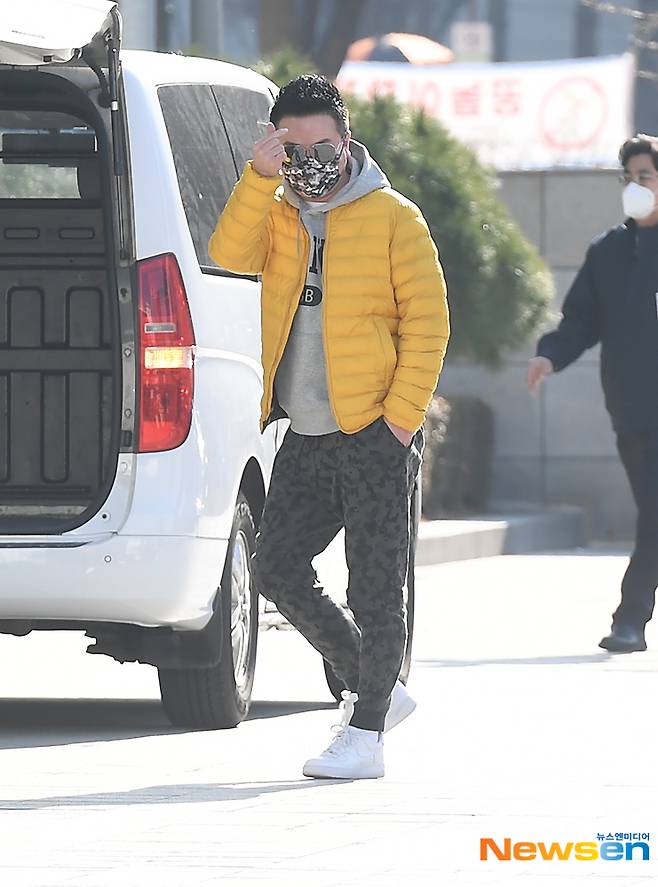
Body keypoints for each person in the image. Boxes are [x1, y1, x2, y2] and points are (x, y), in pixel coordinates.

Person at [209, 75, 449, 779]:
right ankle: (376, 688)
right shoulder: (278, 211)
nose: (310, 161)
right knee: (276, 568)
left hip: (374, 429)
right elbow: (227, 253)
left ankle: (366, 734)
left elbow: (429, 326)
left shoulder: (394, 217)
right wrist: (258, 179)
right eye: (295, 149)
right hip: (306, 432)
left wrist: (398, 424)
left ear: (346, 140)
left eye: (322, 145)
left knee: (374, 588)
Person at [527, 134, 658, 655]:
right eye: (628, 178)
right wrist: (549, 356)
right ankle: (630, 620)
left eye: (645, 176)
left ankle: (630, 620)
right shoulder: (609, 252)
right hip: (634, 410)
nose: (634, 186)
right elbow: (580, 321)